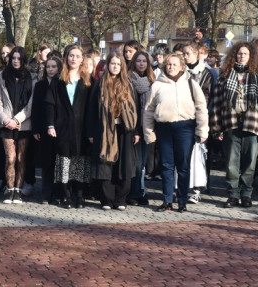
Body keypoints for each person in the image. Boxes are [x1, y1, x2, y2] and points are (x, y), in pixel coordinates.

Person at [210, 42, 258, 208]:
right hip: (230, 123)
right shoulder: (224, 76)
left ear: (251, 56)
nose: (242, 56)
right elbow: (216, 104)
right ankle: (232, 194)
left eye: (245, 54)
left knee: (249, 163)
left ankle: (246, 194)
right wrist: (216, 128)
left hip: (253, 124)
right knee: (232, 163)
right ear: (234, 55)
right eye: (239, 54)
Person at [143, 52, 208, 212]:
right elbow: (148, 110)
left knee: (183, 166)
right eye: (169, 64)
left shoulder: (191, 83)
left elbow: (201, 107)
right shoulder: (157, 85)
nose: (171, 67)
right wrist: (149, 132)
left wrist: (202, 129)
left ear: (181, 66)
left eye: (174, 64)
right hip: (164, 128)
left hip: (185, 127)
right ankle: (167, 200)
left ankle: (182, 200)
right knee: (166, 165)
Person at [86, 53, 139, 210]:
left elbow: (136, 109)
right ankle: (106, 199)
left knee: (124, 164)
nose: (115, 66)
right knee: (106, 164)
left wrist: (136, 131)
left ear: (122, 66)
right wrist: (90, 132)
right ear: (107, 65)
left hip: (125, 130)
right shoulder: (99, 84)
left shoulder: (128, 84)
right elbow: (91, 110)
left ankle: (121, 198)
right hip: (104, 131)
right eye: (112, 64)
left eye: (118, 64)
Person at [45, 45, 91, 208]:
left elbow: (91, 106)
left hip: (81, 128)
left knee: (79, 162)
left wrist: (91, 130)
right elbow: (50, 104)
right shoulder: (58, 80)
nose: (74, 59)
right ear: (66, 58)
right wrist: (50, 124)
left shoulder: (88, 80)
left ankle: (79, 195)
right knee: (64, 162)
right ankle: (66, 195)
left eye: (77, 56)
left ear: (82, 59)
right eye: (71, 55)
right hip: (62, 126)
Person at [0, 46, 34, 204]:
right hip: (6, 124)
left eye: (19, 58)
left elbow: (31, 103)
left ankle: (18, 190)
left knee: (21, 158)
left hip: (23, 124)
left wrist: (17, 120)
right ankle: (9, 189)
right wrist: (6, 120)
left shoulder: (31, 77)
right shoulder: (2, 76)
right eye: (13, 58)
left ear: (23, 59)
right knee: (10, 158)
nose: (16, 61)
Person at [183, 42, 214, 204]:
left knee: (198, 155)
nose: (185, 56)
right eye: (184, 54)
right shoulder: (180, 72)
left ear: (196, 54)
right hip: (182, 119)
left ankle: (197, 189)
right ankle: (181, 187)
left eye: (188, 53)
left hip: (198, 118)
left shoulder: (205, 73)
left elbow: (206, 97)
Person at [31, 54, 63, 204]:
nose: (50, 69)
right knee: (46, 163)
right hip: (44, 129)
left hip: (60, 127)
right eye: (48, 67)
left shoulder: (62, 83)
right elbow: (35, 108)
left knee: (59, 162)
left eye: (53, 67)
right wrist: (36, 129)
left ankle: (57, 194)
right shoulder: (40, 85)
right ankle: (45, 194)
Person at [128, 51, 155, 206]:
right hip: (135, 128)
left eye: (144, 61)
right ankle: (133, 193)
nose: (141, 64)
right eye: (138, 61)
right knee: (136, 164)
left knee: (142, 163)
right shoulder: (129, 79)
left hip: (148, 127)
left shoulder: (152, 80)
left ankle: (139, 192)